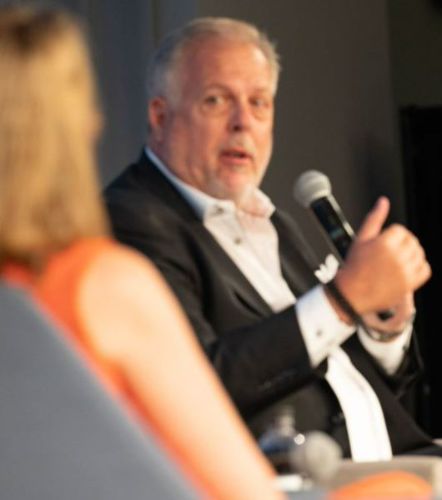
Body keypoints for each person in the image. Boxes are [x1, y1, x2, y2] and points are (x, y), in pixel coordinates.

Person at [103, 16, 442, 485]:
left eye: (259, 103)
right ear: (159, 115)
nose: (243, 123)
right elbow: (200, 381)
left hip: (382, 450)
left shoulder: (266, 217)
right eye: (217, 100)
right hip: (290, 471)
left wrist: (382, 325)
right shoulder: (137, 219)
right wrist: (342, 300)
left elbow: (354, 365)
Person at [0, 7, 281, 499]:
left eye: (259, 103)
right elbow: (247, 492)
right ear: (77, 127)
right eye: (217, 100)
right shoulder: (105, 285)